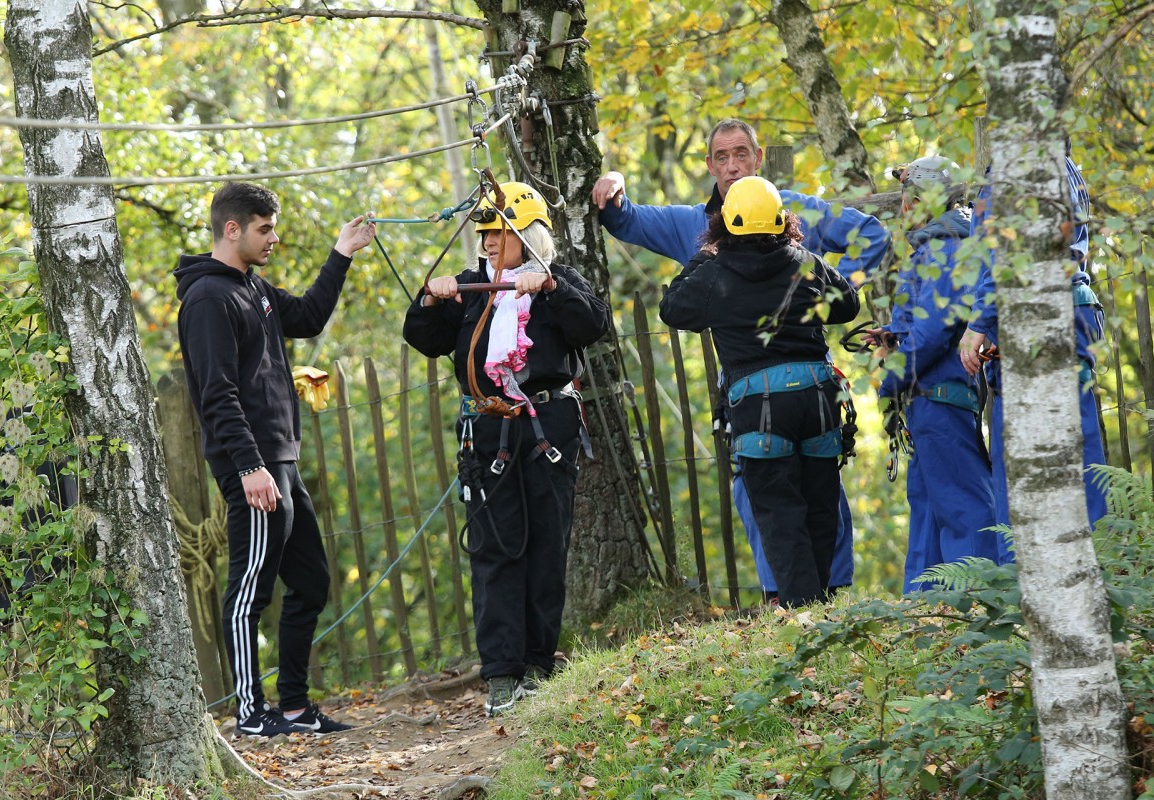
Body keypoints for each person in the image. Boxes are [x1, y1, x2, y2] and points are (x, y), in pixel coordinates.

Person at [592, 118, 890, 602]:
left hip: (799, 380)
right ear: (709, 165)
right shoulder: (695, 224)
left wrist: (819, 290)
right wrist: (615, 184)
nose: (732, 166)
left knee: (818, 495)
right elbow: (623, 219)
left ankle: (826, 594)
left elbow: (873, 236)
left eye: (741, 155)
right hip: (752, 385)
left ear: (757, 157)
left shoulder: (796, 211)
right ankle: (783, 597)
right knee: (761, 495)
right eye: (722, 157)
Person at [174, 182, 377, 737]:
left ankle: (292, 706)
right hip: (254, 467)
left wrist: (342, 251)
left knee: (310, 581)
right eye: (264, 228)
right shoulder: (208, 299)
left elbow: (309, 316)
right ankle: (250, 714)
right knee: (249, 594)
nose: (275, 237)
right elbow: (216, 393)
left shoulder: (253, 288)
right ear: (232, 228)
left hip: (279, 459)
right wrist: (248, 467)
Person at [403, 182, 609, 716]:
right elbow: (421, 336)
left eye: (499, 232)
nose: (489, 242)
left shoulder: (560, 282)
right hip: (489, 431)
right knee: (495, 548)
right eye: (485, 233)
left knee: (546, 543)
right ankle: (500, 674)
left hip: (548, 428)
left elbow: (593, 324)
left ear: (527, 234)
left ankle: (538, 666)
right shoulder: (472, 285)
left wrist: (549, 289)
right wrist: (431, 297)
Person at [659, 176, 861, 608]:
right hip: (817, 399)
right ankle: (821, 604)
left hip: (759, 406)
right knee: (820, 504)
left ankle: (801, 609)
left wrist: (702, 256)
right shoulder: (804, 262)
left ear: (725, 224)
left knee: (778, 511)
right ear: (781, 220)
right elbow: (848, 304)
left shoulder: (714, 272)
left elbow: (672, 308)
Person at [957, 151, 1107, 547]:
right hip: (1076, 308)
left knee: (1017, 452)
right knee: (1078, 442)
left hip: (1032, 315)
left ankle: (1017, 573)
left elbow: (1001, 254)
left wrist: (979, 322)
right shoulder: (1065, 164)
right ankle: (1102, 557)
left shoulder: (1012, 167)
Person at [872, 156, 999, 592]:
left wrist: (892, 378)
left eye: (909, 195)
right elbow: (923, 324)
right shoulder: (934, 247)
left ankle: (981, 601)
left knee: (964, 504)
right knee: (926, 505)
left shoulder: (947, 248)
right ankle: (923, 607)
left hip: (942, 398)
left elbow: (931, 331)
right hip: (927, 401)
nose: (903, 205)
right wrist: (893, 336)